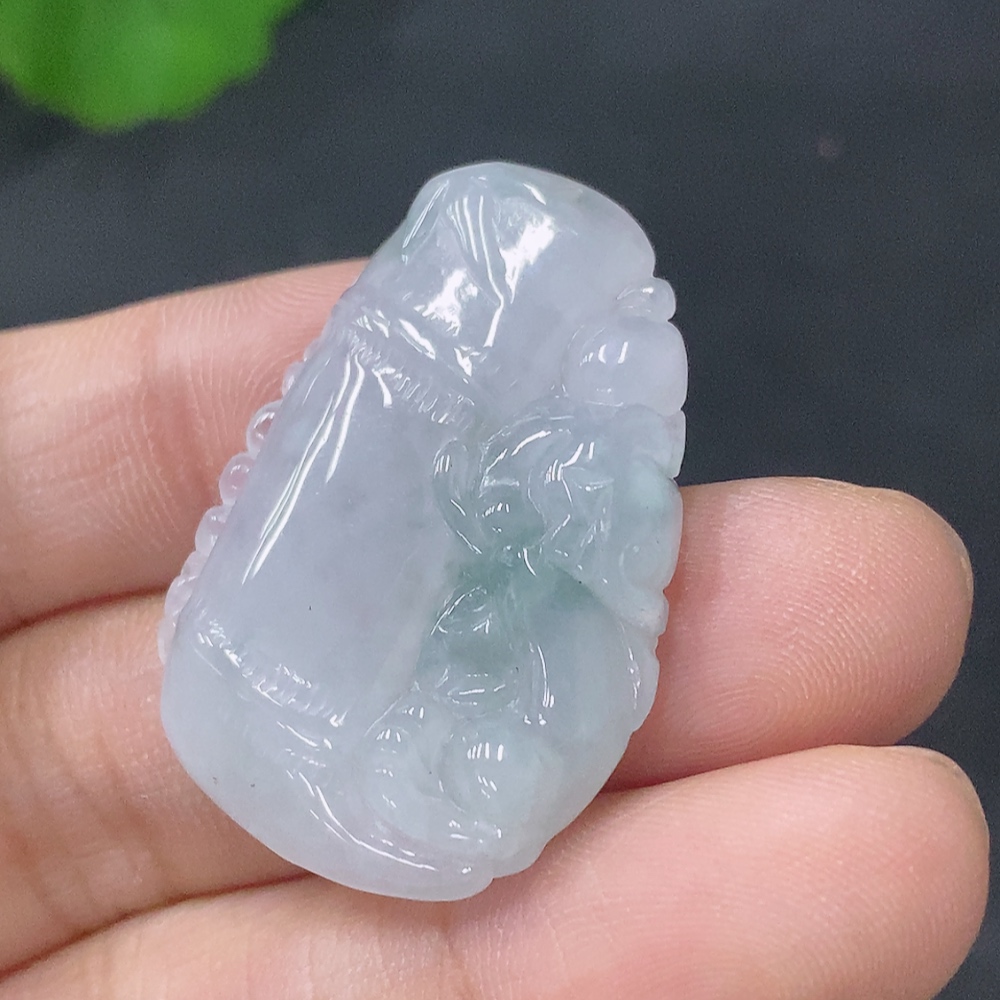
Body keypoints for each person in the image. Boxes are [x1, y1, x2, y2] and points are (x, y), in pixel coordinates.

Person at [0, 261, 986, 999]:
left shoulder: (607, 487)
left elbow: (583, 566)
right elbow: (478, 509)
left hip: (512, 650)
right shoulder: (526, 444)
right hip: (390, 661)